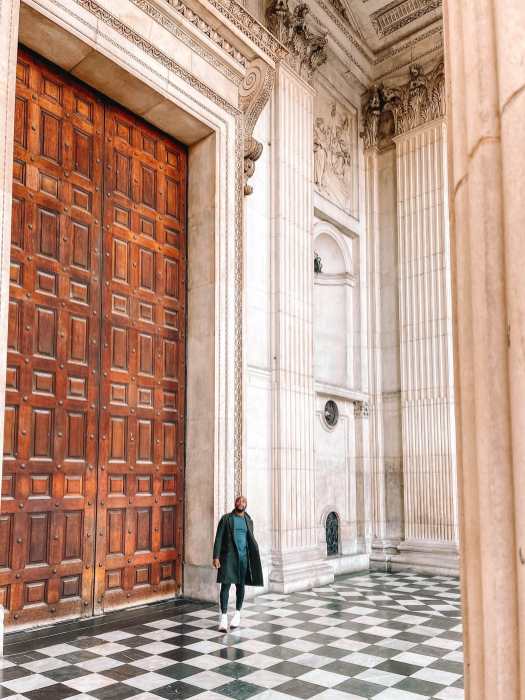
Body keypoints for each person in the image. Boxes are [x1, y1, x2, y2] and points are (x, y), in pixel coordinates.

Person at [212, 495, 263, 631]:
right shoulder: (226, 519)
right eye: (239, 501)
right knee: (225, 587)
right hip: (228, 558)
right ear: (235, 503)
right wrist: (216, 557)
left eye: (244, 501)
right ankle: (223, 618)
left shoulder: (248, 520)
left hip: (243, 559)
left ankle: (237, 614)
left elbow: (250, 539)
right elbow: (218, 538)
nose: (241, 503)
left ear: (246, 504)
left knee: (241, 587)